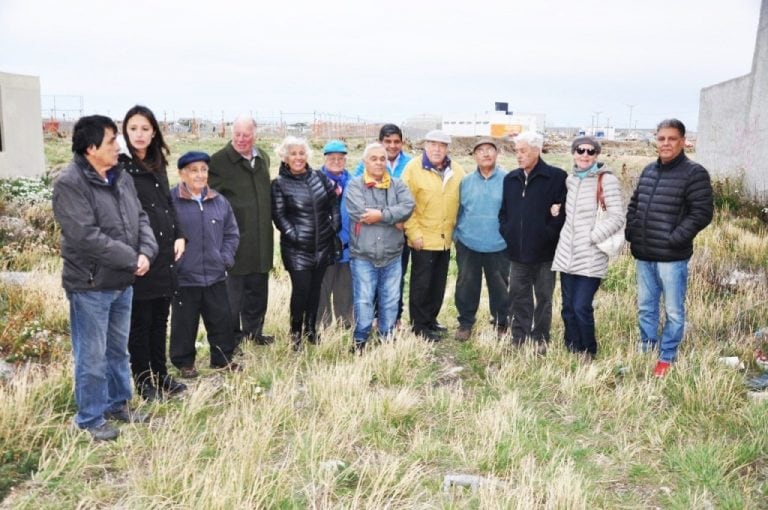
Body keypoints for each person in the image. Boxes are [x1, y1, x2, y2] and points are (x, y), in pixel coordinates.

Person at [52, 115, 158, 441]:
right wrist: (132, 258)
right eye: (112, 140)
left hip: (121, 281)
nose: (118, 146)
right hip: (90, 285)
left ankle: (118, 404)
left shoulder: (120, 175)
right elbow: (85, 237)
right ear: (91, 147)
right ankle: (89, 419)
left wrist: (147, 251)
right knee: (92, 355)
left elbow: (139, 216)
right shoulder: (70, 183)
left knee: (117, 352)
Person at [626, 119, 713, 377]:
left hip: (671, 258)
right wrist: (632, 231)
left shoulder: (694, 173)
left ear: (683, 141)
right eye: (661, 138)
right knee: (646, 306)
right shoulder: (649, 171)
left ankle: (667, 355)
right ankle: (647, 347)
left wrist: (675, 238)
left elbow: (702, 213)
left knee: (673, 310)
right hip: (644, 254)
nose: (665, 143)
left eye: (671, 138)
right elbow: (635, 204)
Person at [121, 105, 187, 401]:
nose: (139, 134)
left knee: (161, 317)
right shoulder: (121, 165)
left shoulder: (157, 161)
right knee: (141, 321)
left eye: (145, 129)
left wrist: (180, 235)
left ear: (154, 132)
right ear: (125, 130)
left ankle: (161, 375)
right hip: (140, 254)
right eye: (133, 128)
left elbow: (167, 203)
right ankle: (144, 380)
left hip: (165, 252)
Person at [551, 136, 624, 360]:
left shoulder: (606, 180)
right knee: (567, 308)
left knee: (582, 306)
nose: (584, 155)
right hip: (567, 255)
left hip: (591, 255)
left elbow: (617, 217)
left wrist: (593, 237)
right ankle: (572, 347)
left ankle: (588, 350)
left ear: (596, 155)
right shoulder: (570, 180)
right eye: (580, 150)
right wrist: (557, 210)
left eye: (590, 152)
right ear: (573, 153)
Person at [170, 151, 241, 377]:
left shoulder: (219, 201)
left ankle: (222, 359)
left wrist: (225, 258)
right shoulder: (171, 201)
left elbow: (232, 233)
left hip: (215, 274)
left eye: (203, 170)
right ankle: (185, 363)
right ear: (182, 173)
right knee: (184, 323)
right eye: (193, 170)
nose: (200, 175)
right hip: (184, 277)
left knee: (221, 319)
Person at [208, 116, 274, 346]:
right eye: (237, 134)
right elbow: (210, 201)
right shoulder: (218, 161)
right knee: (233, 294)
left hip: (262, 238)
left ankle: (254, 333)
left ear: (255, 134)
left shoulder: (263, 158)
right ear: (231, 133)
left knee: (258, 290)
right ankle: (231, 337)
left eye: (246, 134)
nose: (242, 139)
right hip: (234, 240)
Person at [499, 131, 567, 352]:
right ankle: (519, 337)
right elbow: (505, 213)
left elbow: (562, 213)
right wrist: (507, 231)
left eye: (523, 151)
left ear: (537, 150)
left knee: (544, 297)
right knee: (518, 295)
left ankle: (541, 338)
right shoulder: (510, 179)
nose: (518, 156)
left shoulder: (556, 177)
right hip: (517, 253)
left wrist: (548, 234)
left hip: (545, 254)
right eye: (516, 151)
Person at [271, 136, 340, 351]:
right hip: (297, 250)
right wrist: (297, 237)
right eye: (293, 153)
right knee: (300, 291)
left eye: (301, 153)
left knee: (315, 291)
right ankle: (295, 334)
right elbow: (279, 217)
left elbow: (333, 203)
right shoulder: (279, 184)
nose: (298, 157)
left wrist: (334, 225)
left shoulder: (319, 177)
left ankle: (311, 330)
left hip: (322, 246)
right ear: (285, 157)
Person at [345, 142, 414, 352]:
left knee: (391, 300)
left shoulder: (398, 185)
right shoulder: (355, 185)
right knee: (364, 300)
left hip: (392, 255)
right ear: (365, 161)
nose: (378, 162)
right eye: (373, 158)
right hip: (363, 256)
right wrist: (393, 217)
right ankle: (360, 340)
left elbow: (408, 207)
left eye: (382, 159)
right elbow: (360, 213)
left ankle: (387, 337)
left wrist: (380, 215)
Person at [401, 130, 465, 341]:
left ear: (447, 148)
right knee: (421, 284)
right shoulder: (413, 169)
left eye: (442, 145)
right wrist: (413, 233)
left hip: (445, 238)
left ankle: (431, 320)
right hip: (423, 238)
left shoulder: (456, 170)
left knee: (438, 283)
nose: (437, 149)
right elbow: (405, 205)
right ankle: (419, 326)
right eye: (433, 144)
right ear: (425, 145)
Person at [354, 124, 413, 324]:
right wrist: (391, 216)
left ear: (402, 143)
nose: (392, 145)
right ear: (380, 142)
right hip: (372, 233)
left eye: (396, 141)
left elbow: (409, 202)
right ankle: (372, 319)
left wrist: (391, 216)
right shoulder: (367, 163)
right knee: (371, 280)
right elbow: (359, 200)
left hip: (400, 231)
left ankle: (393, 318)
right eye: (387, 141)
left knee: (396, 277)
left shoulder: (411, 164)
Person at [453, 138, 509, 341]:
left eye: (490, 150)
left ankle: (501, 323)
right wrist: (457, 237)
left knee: (500, 287)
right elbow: (458, 211)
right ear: (474, 156)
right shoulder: (465, 182)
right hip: (469, 244)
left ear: (497, 154)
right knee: (466, 285)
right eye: (480, 150)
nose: (485, 154)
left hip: (499, 245)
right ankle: (465, 323)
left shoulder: (509, 180)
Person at [317, 140, 353, 329]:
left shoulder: (354, 182)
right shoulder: (314, 180)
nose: (337, 161)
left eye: (340, 158)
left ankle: (346, 324)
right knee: (322, 288)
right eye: (332, 158)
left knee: (345, 288)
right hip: (323, 246)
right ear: (325, 158)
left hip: (348, 246)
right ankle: (322, 326)